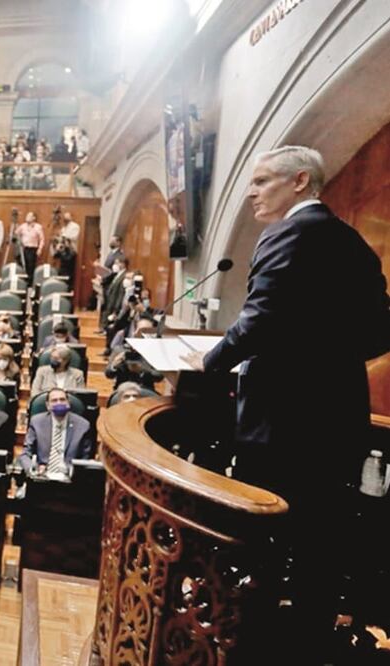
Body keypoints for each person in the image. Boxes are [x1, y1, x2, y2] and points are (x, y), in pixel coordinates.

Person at [181, 146, 390, 659]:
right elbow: (380, 329)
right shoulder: (353, 242)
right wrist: (324, 361)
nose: (251, 191)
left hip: (280, 428)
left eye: (262, 181)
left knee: (265, 547)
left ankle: (248, 646)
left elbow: (259, 321)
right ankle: (302, 649)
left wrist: (205, 363)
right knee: (319, 550)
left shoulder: (289, 233)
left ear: (300, 181)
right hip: (339, 423)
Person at [17, 388, 93, 479]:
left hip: (69, 480)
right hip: (41, 478)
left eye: (62, 399)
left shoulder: (83, 425)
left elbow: (85, 460)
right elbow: (25, 454)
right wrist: (34, 468)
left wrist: (71, 471)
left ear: (68, 403)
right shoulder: (37, 422)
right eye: (54, 400)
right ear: (48, 406)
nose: (59, 403)